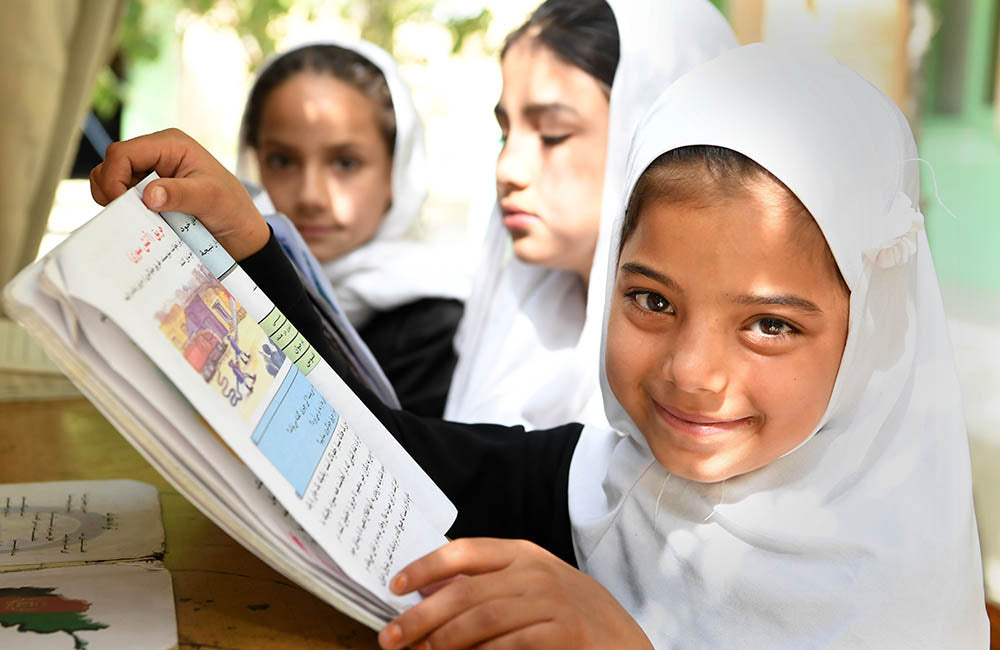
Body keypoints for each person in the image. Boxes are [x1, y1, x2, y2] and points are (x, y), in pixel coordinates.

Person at [91, 43, 987, 648]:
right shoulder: (606, 484)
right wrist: (249, 251)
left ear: (871, 331)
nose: (692, 372)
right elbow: (366, 456)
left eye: (771, 325)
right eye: (649, 300)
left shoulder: (895, 591)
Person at [444, 0, 736, 429]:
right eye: (505, 133)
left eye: (552, 135)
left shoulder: (703, 381)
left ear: (648, 132)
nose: (507, 169)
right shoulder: (512, 329)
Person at [237, 39, 468, 417]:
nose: (310, 196)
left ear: (395, 171)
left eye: (345, 163)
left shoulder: (434, 323)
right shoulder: (231, 286)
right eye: (282, 160)